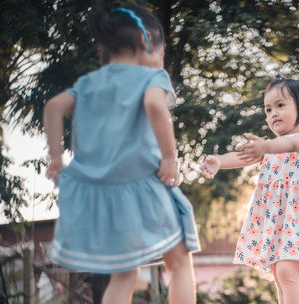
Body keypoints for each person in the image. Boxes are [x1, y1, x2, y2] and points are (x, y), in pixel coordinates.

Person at [43, 3, 200, 304]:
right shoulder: (150, 78)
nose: (161, 62)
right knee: (179, 263)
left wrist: (55, 157)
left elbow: (53, 107)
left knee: (124, 275)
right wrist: (169, 158)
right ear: (145, 43)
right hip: (142, 188)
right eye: (162, 54)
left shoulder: (88, 83)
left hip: (99, 196)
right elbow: (155, 106)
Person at [201, 75, 299, 304]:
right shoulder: (269, 147)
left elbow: (290, 144)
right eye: (267, 110)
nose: (273, 113)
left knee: (287, 271)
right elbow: (242, 157)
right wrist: (219, 160)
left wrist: (265, 146)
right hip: (273, 219)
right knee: (277, 273)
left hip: (295, 218)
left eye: (280, 105)